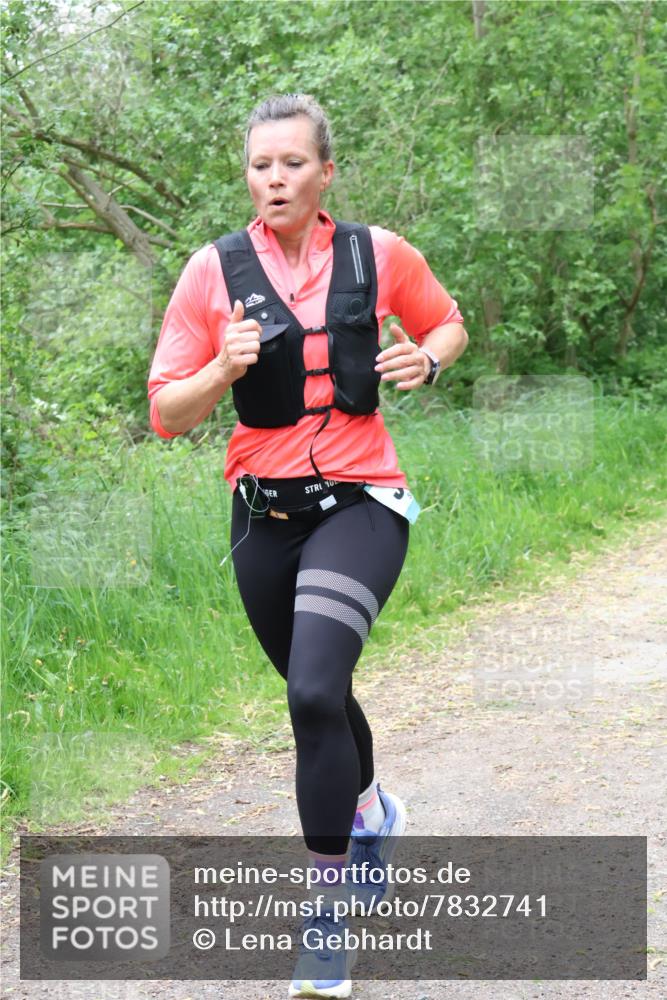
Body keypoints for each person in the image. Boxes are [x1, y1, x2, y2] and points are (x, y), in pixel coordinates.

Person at [148, 93, 468, 999]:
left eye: (292, 163)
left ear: (325, 172)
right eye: (261, 165)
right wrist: (222, 368)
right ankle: (371, 812)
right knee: (319, 696)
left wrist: (428, 358)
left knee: (313, 692)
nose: (275, 179)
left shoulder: (378, 253)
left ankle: (325, 923)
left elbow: (447, 321)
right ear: (247, 177)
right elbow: (166, 413)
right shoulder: (211, 272)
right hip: (263, 517)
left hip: (360, 501)